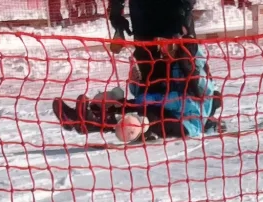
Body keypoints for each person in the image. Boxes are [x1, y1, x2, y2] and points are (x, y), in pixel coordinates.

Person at [52, 38, 219, 142]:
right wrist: (135, 82)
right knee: (125, 104)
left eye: (168, 46)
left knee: (144, 114)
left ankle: (91, 123)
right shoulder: (170, 64)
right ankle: (79, 117)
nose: (163, 50)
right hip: (169, 112)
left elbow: (189, 102)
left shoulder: (198, 72)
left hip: (187, 124)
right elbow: (145, 95)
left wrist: (154, 99)